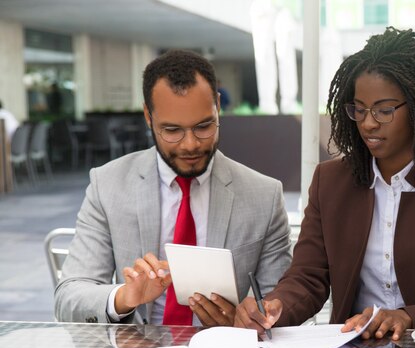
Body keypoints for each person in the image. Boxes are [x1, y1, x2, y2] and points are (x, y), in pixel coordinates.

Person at [235, 27, 415, 341]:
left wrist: (407, 316)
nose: (368, 122)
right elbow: (308, 278)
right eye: (358, 109)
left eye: (384, 110)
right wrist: (276, 305)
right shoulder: (330, 182)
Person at [55, 49, 292, 326]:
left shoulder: (264, 195)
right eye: (172, 130)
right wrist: (123, 297)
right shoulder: (108, 185)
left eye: (204, 126)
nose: (190, 144)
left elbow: (280, 301)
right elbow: (68, 298)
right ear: (148, 116)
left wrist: (249, 319)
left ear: (218, 106)